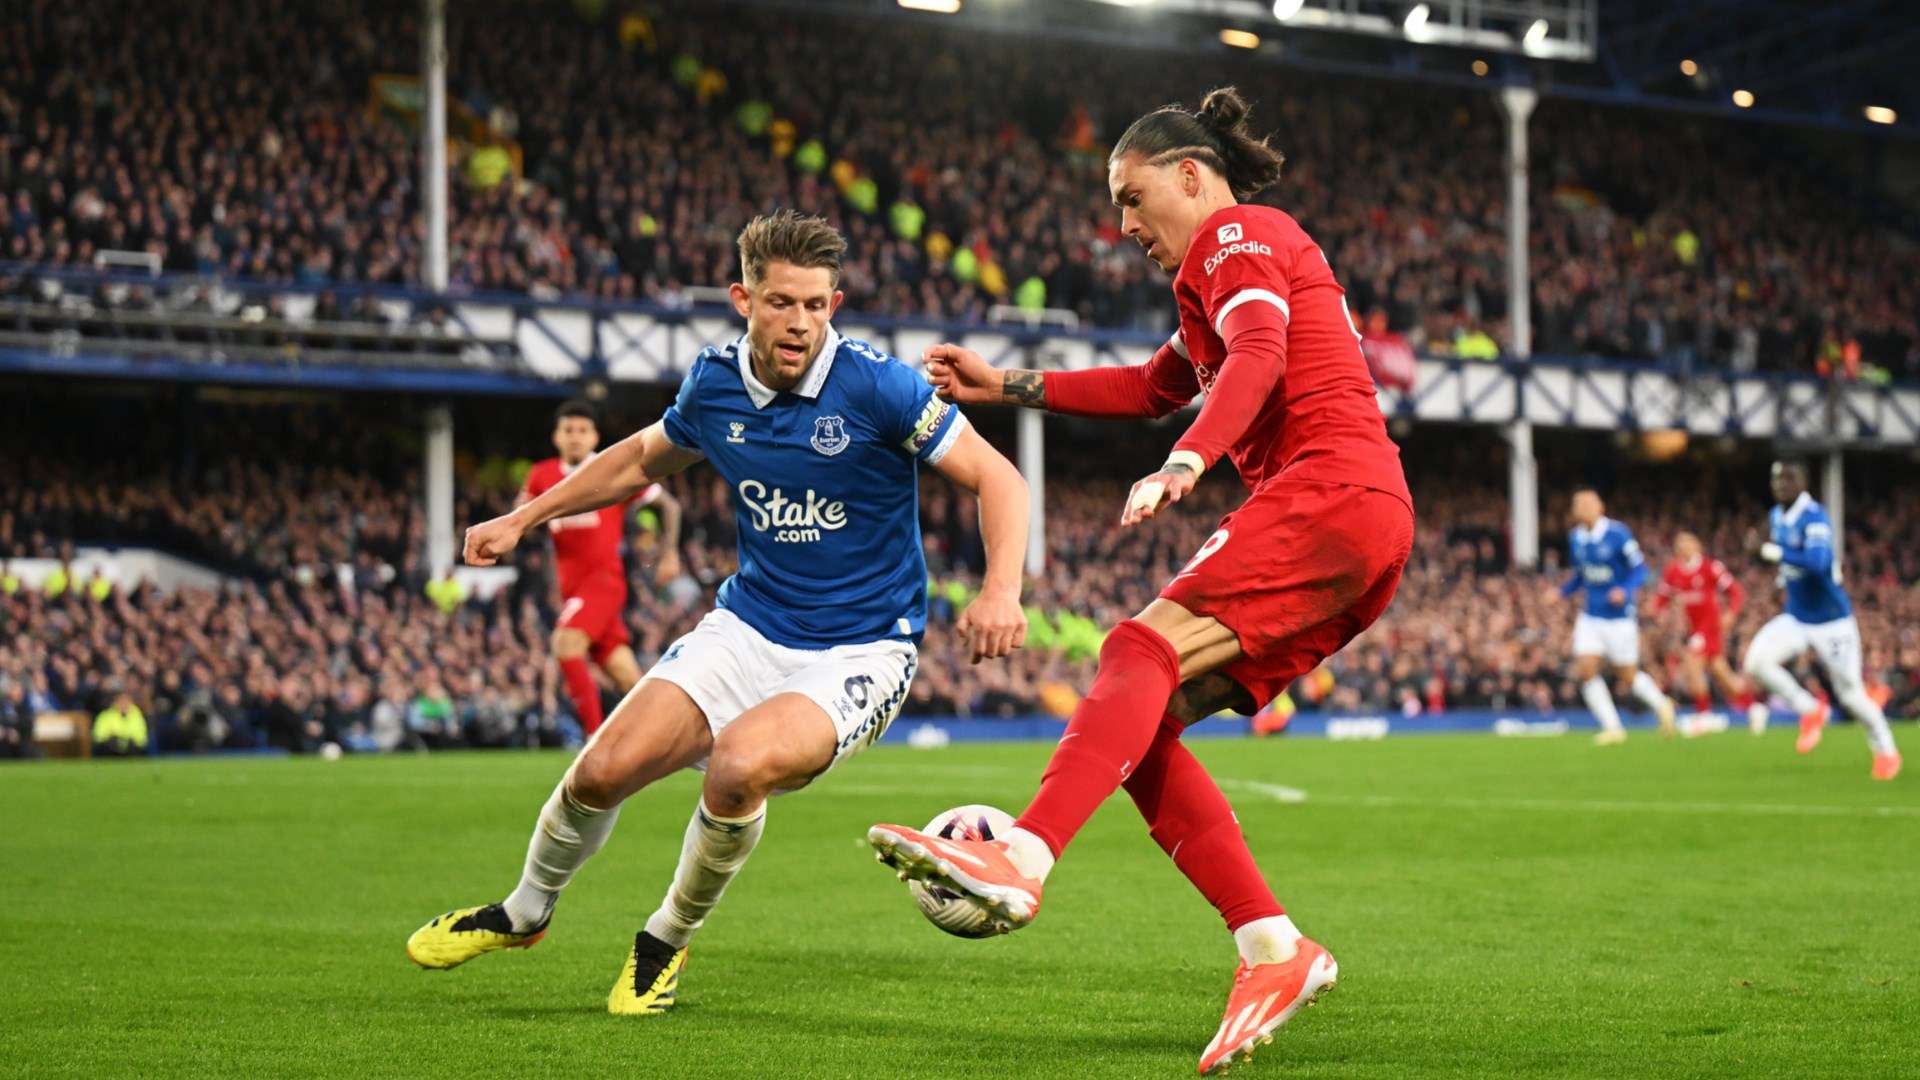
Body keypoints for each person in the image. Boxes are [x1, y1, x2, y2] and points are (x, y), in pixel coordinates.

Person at [866, 87, 1414, 1074]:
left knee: (1136, 647)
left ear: (1190, 175)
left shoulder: (1238, 234)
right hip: (1362, 521)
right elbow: (1153, 385)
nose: (1123, 226)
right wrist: (1010, 385)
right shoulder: (1219, 271)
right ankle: (1274, 950)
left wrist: (1188, 464)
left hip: (1328, 492)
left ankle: (1022, 859)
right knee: (1140, 716)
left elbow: (1259, 356)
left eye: (1131, 196)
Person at [405, 210, 1031, 1014]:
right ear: (744, 299)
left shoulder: (878, 386)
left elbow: (999, 478)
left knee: (740, 767)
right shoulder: (714, 383)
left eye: (814, 304)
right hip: (748, 626)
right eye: (781, 303)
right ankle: (524, 912)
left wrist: (1001, 588)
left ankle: (664, 939)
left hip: (863, 648)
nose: (799, 321)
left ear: (833, 305)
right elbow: (637, 460)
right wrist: (524, 518)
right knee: (599, 773)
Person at [523, 398, 685, 735]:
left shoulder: (611, 469)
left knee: (564, 645)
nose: (575, 437)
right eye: (568, 430)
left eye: (583, 430)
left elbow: (669, 507)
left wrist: (669, 554)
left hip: (603, 584)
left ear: (595, 438)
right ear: (556, 437)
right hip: (573, 590)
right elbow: (520, 515)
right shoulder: (542, 475)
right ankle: (672, 735)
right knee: (627, 677)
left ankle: (593, 741)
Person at [1741, 459, 1901, 780]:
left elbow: (1817, 562)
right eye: (1775, 479)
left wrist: (1769, 552)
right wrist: (1772, 571)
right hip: (1798, 617)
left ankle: (1886, 750)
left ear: (1804, 482)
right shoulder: (1777, 516)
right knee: (1756, 662)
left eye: (1788, 479)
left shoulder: (1814, 517)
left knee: (1852, 695)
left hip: (1831, 622)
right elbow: (1791, 565)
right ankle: (1810, 709)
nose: (1780, 485)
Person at [1548, 488, 1677, 744]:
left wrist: (1625, 590)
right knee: (1586, 669)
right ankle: (1613, 727)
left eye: (1586, 503)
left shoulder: (1618, 534)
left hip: (1619, 617)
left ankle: (1663, 705)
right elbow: (1581, 576)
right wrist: (1561, 593)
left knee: (1627, 674)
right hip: (1591, 615)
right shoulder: (1576, 538)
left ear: (1600, 507)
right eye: (1577, 504)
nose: (1581, 507)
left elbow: (1640, 569)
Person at [1648, 531, 1756, 729]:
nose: (1682, 547)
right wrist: (1656, 608)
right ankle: (1755, 709)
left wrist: (1731, 613)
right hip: (1694, 628)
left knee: (1692, 662)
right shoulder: (1674, 571)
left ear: (1696, 546)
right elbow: (1663, 595)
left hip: (1710, 627)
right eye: (1679, 544)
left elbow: (1735, 591)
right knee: (1722, 674)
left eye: (1687, 543)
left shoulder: (1709, 568)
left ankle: (1704, 715)